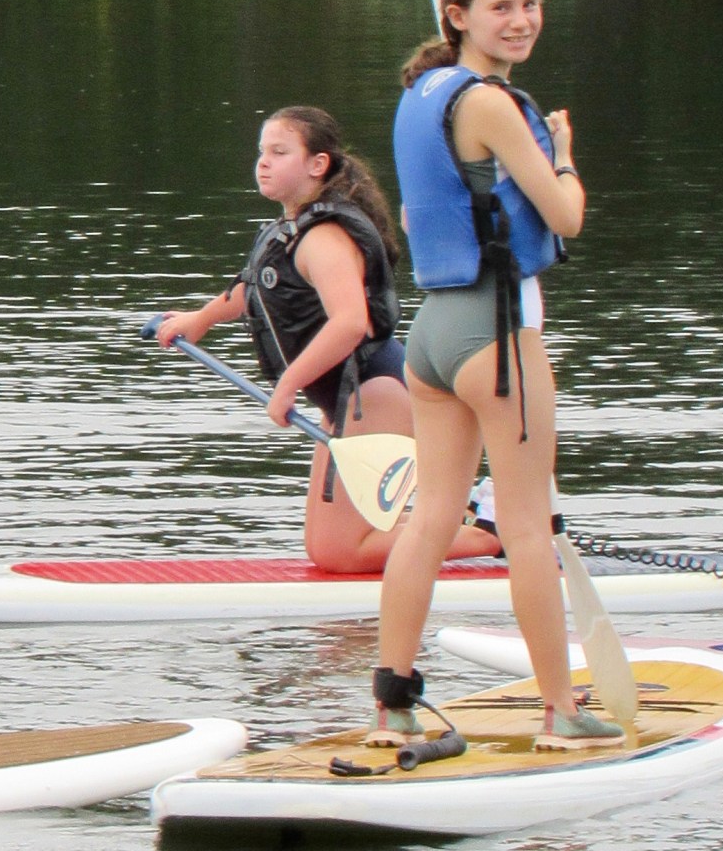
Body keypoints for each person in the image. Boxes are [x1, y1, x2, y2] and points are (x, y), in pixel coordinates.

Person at [372, 0, 617, 750]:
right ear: (460, 15)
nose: (521, 21)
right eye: (501, 7)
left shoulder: (420, 91)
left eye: (531, 5)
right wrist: (569, 158)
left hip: (433, 335)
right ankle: (561, 711)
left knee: (430, 519)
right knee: (524, 525)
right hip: (496, 337)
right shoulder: (491, 103)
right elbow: (567, 217)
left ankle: (392, 705)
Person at [154, 107, 500, 572]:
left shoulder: (326, 237)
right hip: (349, 398)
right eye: (262, 152)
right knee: (327, 550)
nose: (263, 162)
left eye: (279, 152)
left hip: (378, 395)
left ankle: (492, 534)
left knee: (341, 551)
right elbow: (253, 287)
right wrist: (199, 320)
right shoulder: (290, 232)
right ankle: (467, 518)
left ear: (318, 165)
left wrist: (288, 383)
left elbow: (350, 323)